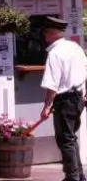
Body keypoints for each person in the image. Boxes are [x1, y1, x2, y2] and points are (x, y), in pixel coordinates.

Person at [40, 16, 87, 181]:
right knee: (71, 138)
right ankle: (79, 175)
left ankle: (72, 177)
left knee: (65, 139)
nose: (44, 36)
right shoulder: (75, 48)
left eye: (46, 33)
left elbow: (52, 85)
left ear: (52, 33)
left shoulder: (55, 53)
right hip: (78, 98)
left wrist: (46, 107)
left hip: (65, 100)